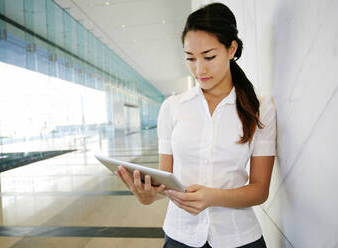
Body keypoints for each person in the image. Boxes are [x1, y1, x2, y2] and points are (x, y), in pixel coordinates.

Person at [115, 2, 276, 248]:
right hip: (180, 237)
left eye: (209, 57)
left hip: (239, 238)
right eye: (190, 58)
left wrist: (213, 197)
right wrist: (147, 195)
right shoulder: (172, 107)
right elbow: (165, 182)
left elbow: (260, 190)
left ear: (231, 49)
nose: (199, 69)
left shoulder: (260, 108)